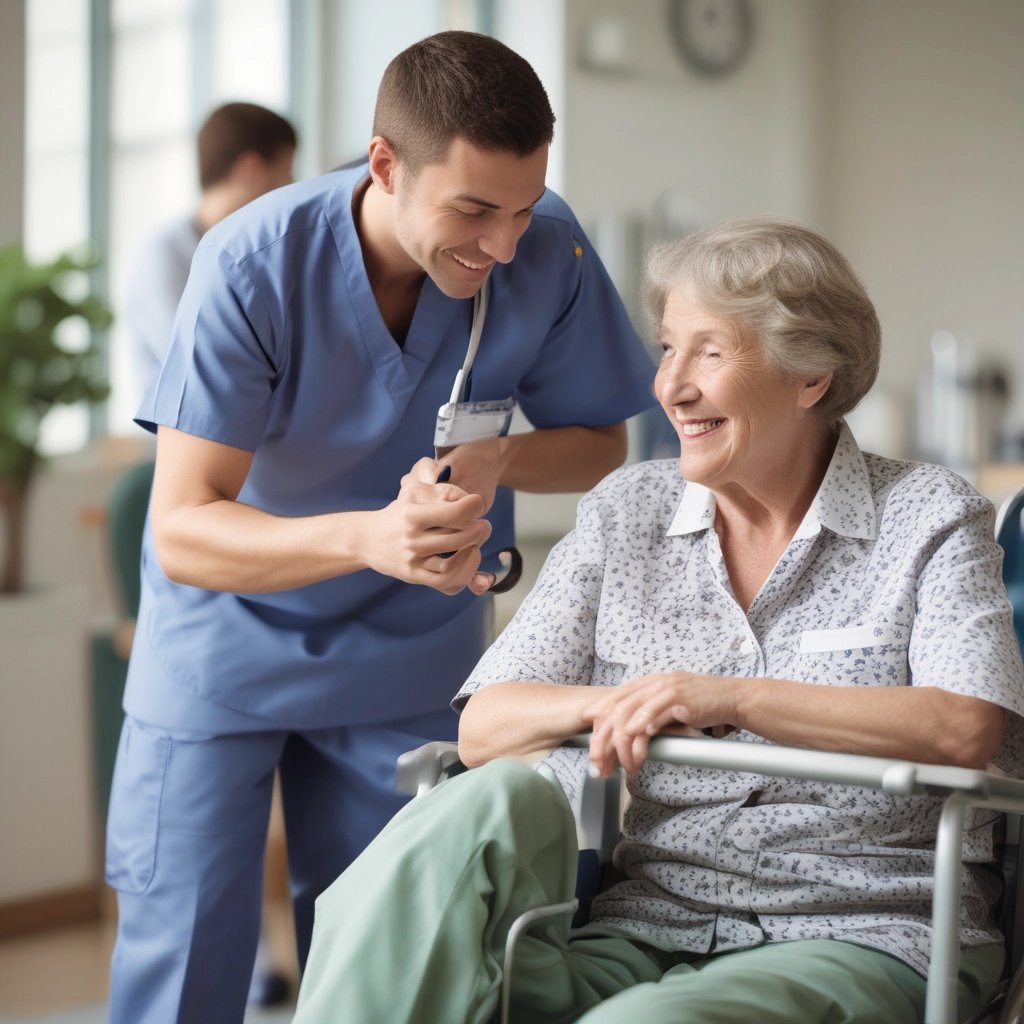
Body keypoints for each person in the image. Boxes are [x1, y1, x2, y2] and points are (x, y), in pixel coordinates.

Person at [292, 216, 1024, 1024]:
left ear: (808, 376)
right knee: (475, 807)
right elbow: (485, 726)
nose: (670, 385)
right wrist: (616, 704)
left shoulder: (928, 515)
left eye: (709, 351)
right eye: (670, 348)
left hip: (863, 933)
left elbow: (965, 728)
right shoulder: (627, 511)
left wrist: (730, 698)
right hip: (646, 927)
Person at [104, 30, 656, 1024]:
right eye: (472, 211)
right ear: (385, 165)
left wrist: (499, 460)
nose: (499, 247)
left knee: (387, 957)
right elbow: (183, 527)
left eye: (521, 211)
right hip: (222, 642)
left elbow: (598, 441)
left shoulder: (547, 250)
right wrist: (368, 536)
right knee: (185, 947)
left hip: (405, 654)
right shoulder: (254, 264)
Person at [117, 100, 298, 1010]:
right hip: (186, 517)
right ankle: (256, 954)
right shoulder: (194, 261)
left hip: (273, 528)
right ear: (263, 164)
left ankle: (275, 953)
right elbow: (194, 405)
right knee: (191, 844)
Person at [123, 101, 297, 394]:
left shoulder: (262, 251)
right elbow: (206, 364)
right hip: (183, 435)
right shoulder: (163, 255)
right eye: (286, 173)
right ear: (251, 169)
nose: (291, 186)